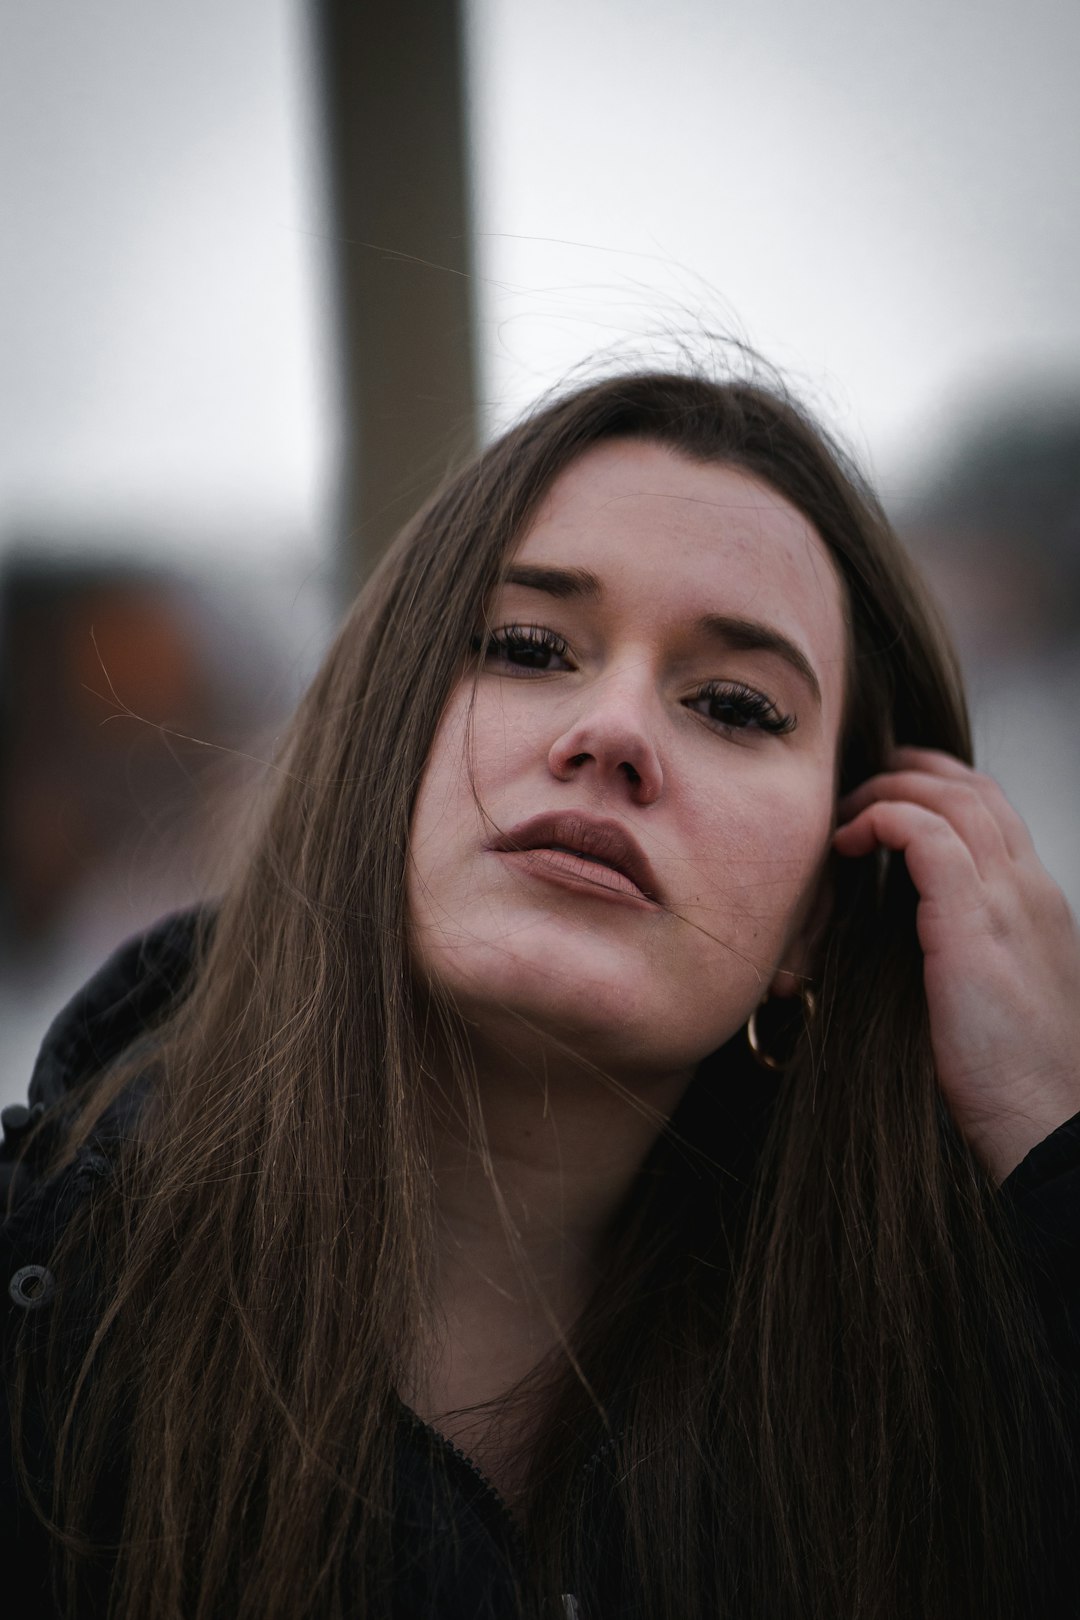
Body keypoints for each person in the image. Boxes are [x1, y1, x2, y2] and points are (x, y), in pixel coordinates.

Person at [3, 369, 1079, 1620]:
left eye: (734, 706)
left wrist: (1056, 1151)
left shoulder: (952, 1445)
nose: (613, 728)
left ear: (821, 921)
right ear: (374, 756)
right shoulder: (39, 1334)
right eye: (526, 647)